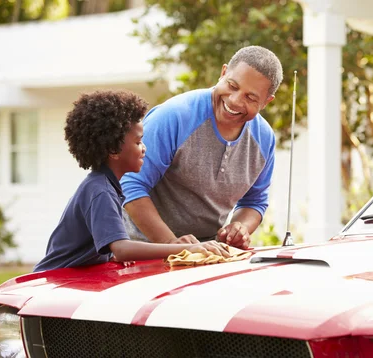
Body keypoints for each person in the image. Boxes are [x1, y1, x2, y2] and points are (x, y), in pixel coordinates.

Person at [33, 90, 229, 272]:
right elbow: (122, 249)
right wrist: (190, 248)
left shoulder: (105, 185)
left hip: (69, 280)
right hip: (50, 282)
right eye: (138, 142)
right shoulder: (100, 190)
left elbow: (107, 248)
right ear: (113, 150)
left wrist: (111, 256)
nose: (144, 148)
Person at [121, 45, 283, 250]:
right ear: (223, 73)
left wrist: (239, 227)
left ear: (266, 102)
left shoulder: (264, 139)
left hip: (205, 256)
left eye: (250, 98)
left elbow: (254, 202)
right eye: (232, 86)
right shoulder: (174, 116)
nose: (235, 100)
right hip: (139, 251)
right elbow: (130, 186)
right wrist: (172, 244)